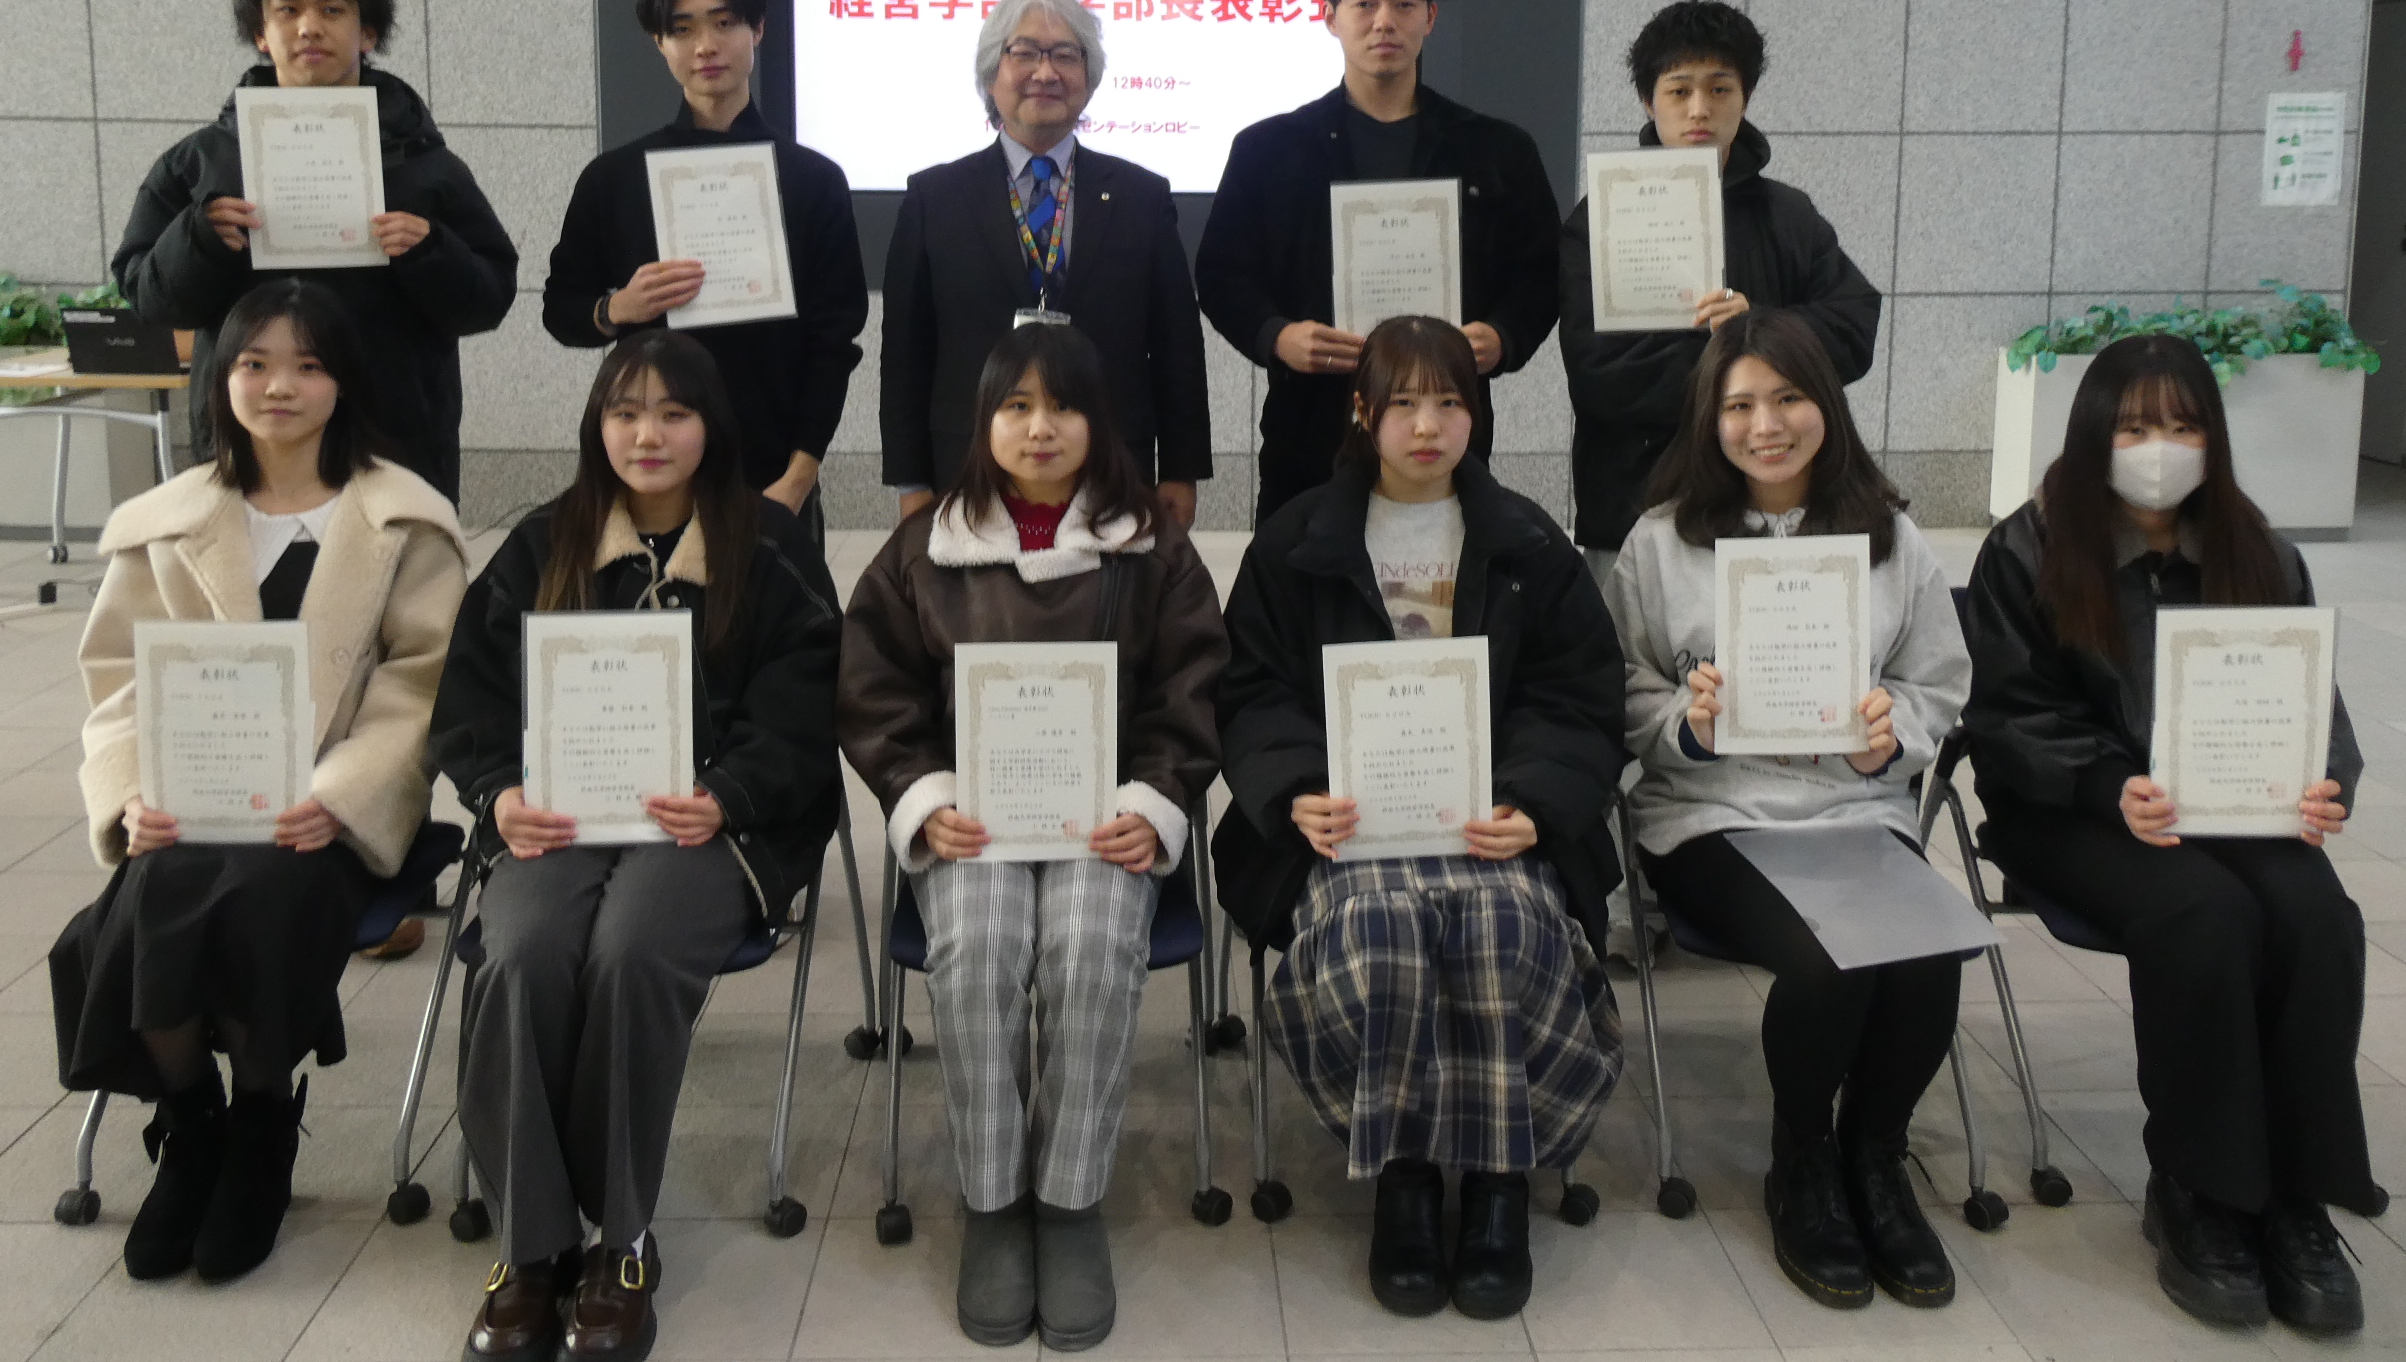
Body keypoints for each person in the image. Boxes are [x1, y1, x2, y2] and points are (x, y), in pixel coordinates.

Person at [430, 332, 843, 1362]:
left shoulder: (769, 544)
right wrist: (500, 792)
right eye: (625, 413)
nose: (647, 434)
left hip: (712, 826)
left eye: (673, 413)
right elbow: (470, 697)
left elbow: (808, 700)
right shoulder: (544, 540)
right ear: (596, 427)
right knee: (521, 950)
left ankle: (619, 1241)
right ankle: (531, 1249)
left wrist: (728, 794)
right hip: (560, 818)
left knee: (630, 947)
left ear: (712, 426)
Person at [49, 279, 467, 1283]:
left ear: (344, 382)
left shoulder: (404, 522)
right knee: (152, 890)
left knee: (260, 892)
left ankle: (265, 1121)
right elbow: (117, 684)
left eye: (308, 366)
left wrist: (341, 797)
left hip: (326, 815)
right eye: (255, 363)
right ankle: (194, 1122)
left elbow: (419, 689)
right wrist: (130, 795)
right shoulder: (165, 523)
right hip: (191, 801)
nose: (279, 386)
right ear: (220, 377)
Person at [1213, 316, 1624, 1321]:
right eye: (1402, 403)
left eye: (1448, 402)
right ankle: (1403, 1177)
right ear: (1362, 413)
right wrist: (1295, 788)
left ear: (1476, 413)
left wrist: (1532, 803)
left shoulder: (1526, 542)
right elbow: (1250, 689)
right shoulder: (1296, 541)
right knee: (1382, 929)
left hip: (1490, 822)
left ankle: (1494, 1179)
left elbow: (1577, 693)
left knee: (1501, 918)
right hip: (1347, 829)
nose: (1428, 425)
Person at [1963, 334, 2372, 1336]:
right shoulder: (2028, 548)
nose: (2160, 447)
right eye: (2136, 425)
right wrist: (2111, 786)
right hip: (2071, 809)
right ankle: (2202, 1190)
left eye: (2183, 425)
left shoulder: (2258, 550)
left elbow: (2310, 699)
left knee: (2317, 916)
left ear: (2212, 438)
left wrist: (2324, 785)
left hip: (2230, 800)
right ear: (2093, 433)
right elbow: (2006, 715)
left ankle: (2297, 1196)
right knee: (2203, 913)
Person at [840, 324, 1224, 1351]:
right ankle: (994, 1199)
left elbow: (1192, 690)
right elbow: (875, 692)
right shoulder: (925, 548)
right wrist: (924, 797)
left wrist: (1152, 802)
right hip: (974, 823)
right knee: (976, 950)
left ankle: (1067, 1200)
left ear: (1101, 423)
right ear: (984, 422)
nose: (1039, 427)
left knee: (1090, 949)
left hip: (1107, 822)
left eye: (1063, 406)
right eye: (1016, 406)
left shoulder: (1153, 547)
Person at [1604, 310, 1971, 1312]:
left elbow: (1937, 681)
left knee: (1926, 951)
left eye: (1788, 398)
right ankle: (1803, 1158)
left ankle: (1876, 1156)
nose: (1764, 426)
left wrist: (1890, 733)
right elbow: (1623, 688)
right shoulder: (1659, 541)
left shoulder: (1891, 538)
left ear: (1826, 406)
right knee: (1827, 957)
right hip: (1711, 815)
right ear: (1708, 419)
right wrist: (1687, 723)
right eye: (1739, 406)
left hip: (1854, 808)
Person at [111, 0, 519, 502]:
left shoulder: (427, 165)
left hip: (394, 438)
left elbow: (489, 298)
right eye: (288, 10)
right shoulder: (199, 163)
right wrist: (198, 240)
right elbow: (148, 299)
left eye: (332, 10)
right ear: (261, 33)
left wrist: (430, 251)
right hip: (250, 444)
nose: (309, 27)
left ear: (367, 33)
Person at [1197, 0, 1562, 523]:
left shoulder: (1495, 149)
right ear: (1330, 17)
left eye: (1404, 4)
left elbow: (1540, 272)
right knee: (1301, 574)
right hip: (1309, 427)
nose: (1384, 21)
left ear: (1431, 17)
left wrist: (1504, 335)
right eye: (1364, 3)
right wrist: (1276, 336)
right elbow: (1221, 273)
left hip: (1444, 432)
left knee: (1441, 575)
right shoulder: (1269, 149)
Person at [542, 0, 868, 531]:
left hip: (772, 466)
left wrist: (799, 477)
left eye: (724, 23)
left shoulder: (812, 179)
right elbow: (561, 311)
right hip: (650, 464)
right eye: (683, 29)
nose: (706, 46)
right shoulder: (615, 178)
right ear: (659, 43)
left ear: (757, 30)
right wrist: (617, 308)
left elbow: (833, 341)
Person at [1558, 0, 1880, 558]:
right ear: (1649, 101)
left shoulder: (1789, 215)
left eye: (1720, 88)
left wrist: (1761, 326)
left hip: (1779, 505)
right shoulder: (1604, 218)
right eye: (1679, 91)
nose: (1699, 109)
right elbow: (1598, 372)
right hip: (1636, 503)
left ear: (1745, 97)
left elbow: (1854, 328)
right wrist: (1740, 362)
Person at [881, 0, 1211, 530]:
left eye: (1065, 55)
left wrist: (1181, 470)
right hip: (969, 462)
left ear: (1089, 77)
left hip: (1111, 461)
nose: (1046, 72)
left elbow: (1177, 344)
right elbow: (905, 353)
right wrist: (911, 482)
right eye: (1026, 53)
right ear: (992, 75)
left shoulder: (1141, 196)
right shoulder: (933, 198)